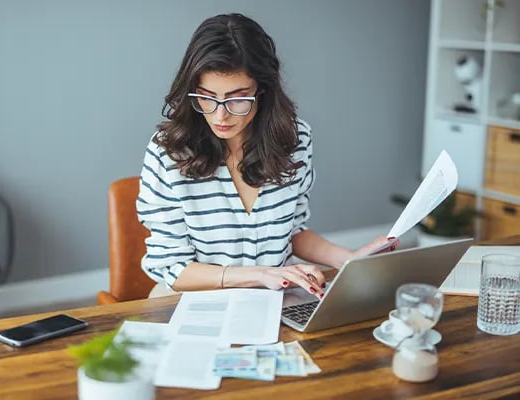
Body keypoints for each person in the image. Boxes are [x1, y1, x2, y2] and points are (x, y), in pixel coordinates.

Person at [137, 13, 396, 299]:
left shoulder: (295, 140)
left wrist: (348, 260)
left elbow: (293, 232)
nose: (220, 114)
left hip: (273, 297)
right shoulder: (168, 152)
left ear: (263, 90)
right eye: (206, 97)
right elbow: (172, 267)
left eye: (237, 98)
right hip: (194, 300)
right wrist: (260, 275)